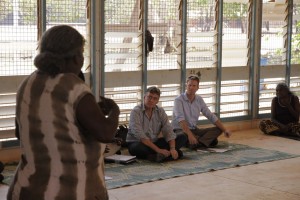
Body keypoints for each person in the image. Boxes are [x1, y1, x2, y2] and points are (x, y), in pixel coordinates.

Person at [7, 25, 120, 200]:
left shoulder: (27, 83)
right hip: (70, 191)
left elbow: (20, 133)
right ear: (76, 57)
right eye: (82, 53)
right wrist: (114, 111)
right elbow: (105, 133)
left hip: (26, 189)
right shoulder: (73, 87)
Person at [126, 86, 187, 162]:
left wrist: (173, 148)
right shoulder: (136, 112)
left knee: (182, 136)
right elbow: (141, 136)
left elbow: (168, 130)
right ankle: (163, 155)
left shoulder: (160, 111)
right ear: (144, 97)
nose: (151, 100)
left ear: (157, 101)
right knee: (136, 148)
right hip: (139, 142)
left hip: (154, 142)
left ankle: (157, 156)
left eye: (154, 98)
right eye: (149, 97)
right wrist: (159, 150)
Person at [172, 75, 231, 149]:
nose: (191, 88)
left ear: (197, 87)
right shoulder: (178, 100)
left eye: (194, 85)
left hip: (194, 129)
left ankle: (198, 142)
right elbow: (181, 120)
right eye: (189, 85)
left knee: (219, 129)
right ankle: (201, 142)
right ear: (186, 85)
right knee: (183, 136)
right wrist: (190, 136)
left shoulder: (199, 100)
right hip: (180, 130)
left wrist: (225, 130)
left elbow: (210, 115)